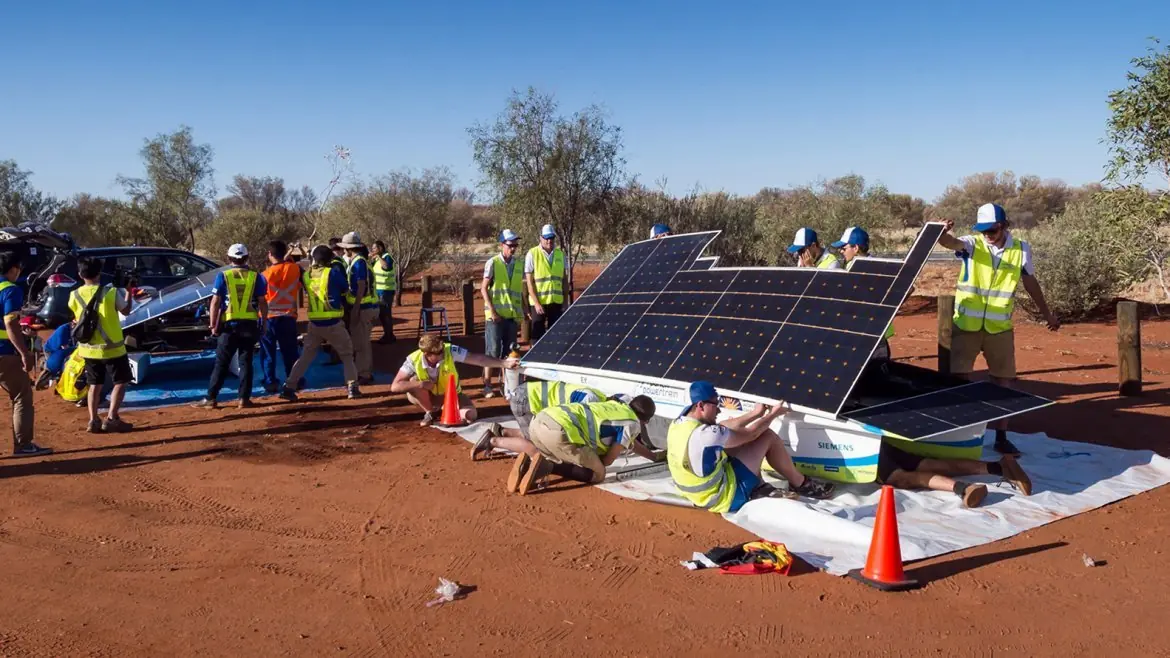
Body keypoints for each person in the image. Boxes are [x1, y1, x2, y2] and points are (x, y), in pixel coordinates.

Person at [936, 203, 1060, 456]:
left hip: (999, 326)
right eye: (983, 230)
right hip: (967, 324)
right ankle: (961, 432)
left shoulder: (1020, 249)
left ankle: (1001, 436)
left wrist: (1047, 313)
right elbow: (949, 243)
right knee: (960, 379)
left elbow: (1030, 282)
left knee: (1003, 382)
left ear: (1003, 225)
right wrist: (940, 232)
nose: (987, 235)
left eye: (991, 230)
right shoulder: (972, 244)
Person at [667, 381, 835, 512]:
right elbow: (751, 435)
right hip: (725, 496)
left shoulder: (678, 424)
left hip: (697, 494)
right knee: (766, 436)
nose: (718, 410)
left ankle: (757, 480)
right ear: (700, 406)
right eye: (715, 405)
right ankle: (801, 484)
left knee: (725, 428)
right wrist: (773, 414)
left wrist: (756, 413)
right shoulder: (707, 435)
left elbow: (724, 428)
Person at [505, 396, 659, 495]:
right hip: (560, 431)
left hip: (538, 423)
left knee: (565, 458)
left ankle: (528, 466)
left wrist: (653, 456)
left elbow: (630, 443)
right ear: (645, 420)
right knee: (599, 474)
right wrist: (597, 461)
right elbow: (609, 460)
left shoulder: (615, 406)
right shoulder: (633, 423)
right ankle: (545, 467)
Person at [279, 245, 360, 401]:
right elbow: (345, 291)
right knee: (347, 355)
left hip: (315, 324)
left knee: (306, 357)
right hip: (333, 322)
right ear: (329, 259)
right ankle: (352, 387)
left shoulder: (307, 275)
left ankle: (289, 387)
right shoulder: (333, 273)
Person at [194, 244, 268, 410]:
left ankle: (211, 398)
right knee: (246, 362)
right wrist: (264, 323)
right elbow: (262, 302)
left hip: (229, 326)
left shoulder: (223, 276)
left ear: (229, 259)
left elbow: (215, 302)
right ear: (247, 258)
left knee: (221, 363)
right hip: (249, 325)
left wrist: (213, 325)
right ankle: (244, 399)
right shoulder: (256, 277)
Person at [390, 333, 519, 426]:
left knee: (470, 416)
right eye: (437, 353)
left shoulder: (450, 350)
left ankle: (446, 410)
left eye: (441, 350)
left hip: (452, 396)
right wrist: (421, 384)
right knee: (413, 383)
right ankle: (430, 412)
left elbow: (477, 359)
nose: (441, 354)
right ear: (426, 354)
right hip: (427, 396)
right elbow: (395, 386)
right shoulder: (413, 359)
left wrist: (503, 363)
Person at [69, 256, 134, 433]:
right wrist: (128, 291)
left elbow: (76, 317)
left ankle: (93, 420)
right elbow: (126, 311)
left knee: (94, 385)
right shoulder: (110, 293)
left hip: (88, 349)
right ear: (99, 273)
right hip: (113, 348)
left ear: (81, 274)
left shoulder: (74, 295)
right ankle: (112, 418)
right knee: (121, 381)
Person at [470, 379, 607, 460]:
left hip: (525, 395)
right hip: (526, 401)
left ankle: (501, 431)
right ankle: (494, 441)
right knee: (540, 448)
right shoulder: (590, 402)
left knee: (540, 433)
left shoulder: (598, 397)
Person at [877, 440, 1032, 508]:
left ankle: (963, 489)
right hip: (871, 436)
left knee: (900, 478)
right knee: (928, 464)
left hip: (858, 442)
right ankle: (999, 467)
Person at [0, 254, 49, 455]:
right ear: (12, 269)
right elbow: (10, 323)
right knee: (21, 395)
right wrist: (24, 352)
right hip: (4, 353)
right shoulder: (10, 290)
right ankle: (23, 444)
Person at [832, 226, 896, 360]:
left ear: (855, 248)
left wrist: (888, 308)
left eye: (844, 248)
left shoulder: (876, 267)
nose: (841, 251)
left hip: (874, 335)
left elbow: (907, 288)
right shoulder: (852, 266)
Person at [480, 229, 524, 398]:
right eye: (510, 245)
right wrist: (492, 311)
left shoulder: (518, 264)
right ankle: (487, 384)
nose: (513, 248)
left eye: (515, 245)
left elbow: (518, 291)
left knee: (509, 351)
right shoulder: (493, 263)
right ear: (502, 245)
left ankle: (506, 385)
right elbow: (484, 288)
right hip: (495, 316)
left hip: (512, 315)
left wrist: (524, 310)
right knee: (493, 350)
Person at [260, 240, 302, 393]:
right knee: (290, 351)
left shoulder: (265, 275)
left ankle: (270, 382)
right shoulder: (294, 269)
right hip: (288, 316)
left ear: (270, 254)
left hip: (269, 318)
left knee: (268, 353)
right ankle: (294, 380)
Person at [340, 232, 378, 385]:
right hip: (366, 307)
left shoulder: (358, 263)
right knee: (363, 343)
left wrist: (355, 309)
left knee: (361, 344)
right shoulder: (359, 261)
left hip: (363, 308)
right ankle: (365, 371)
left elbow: (361, 286)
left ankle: (364, 373)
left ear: (349, 249)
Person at [524, 224, 568, 341]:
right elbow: (530, 282)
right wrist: (536, 303)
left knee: (555, 336)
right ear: (541, 238)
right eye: (546, 238)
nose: (549, 241)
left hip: (556, 302)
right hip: (539, 303)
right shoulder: (532, 254)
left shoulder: (560, 254)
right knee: (537, 335)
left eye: (551, 238)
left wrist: (565, 302)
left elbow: (564, 280)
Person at [371, 239, 397, 344]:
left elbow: (386, 267)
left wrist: (378, 257)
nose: (372, 250)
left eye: (374, 248)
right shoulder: (378, 259)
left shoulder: (387, 257)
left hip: (386, 290)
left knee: (385, 313)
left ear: (380, 248)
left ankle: (389, 336)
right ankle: (388, 334)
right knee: (382, 314)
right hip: (379, 290)